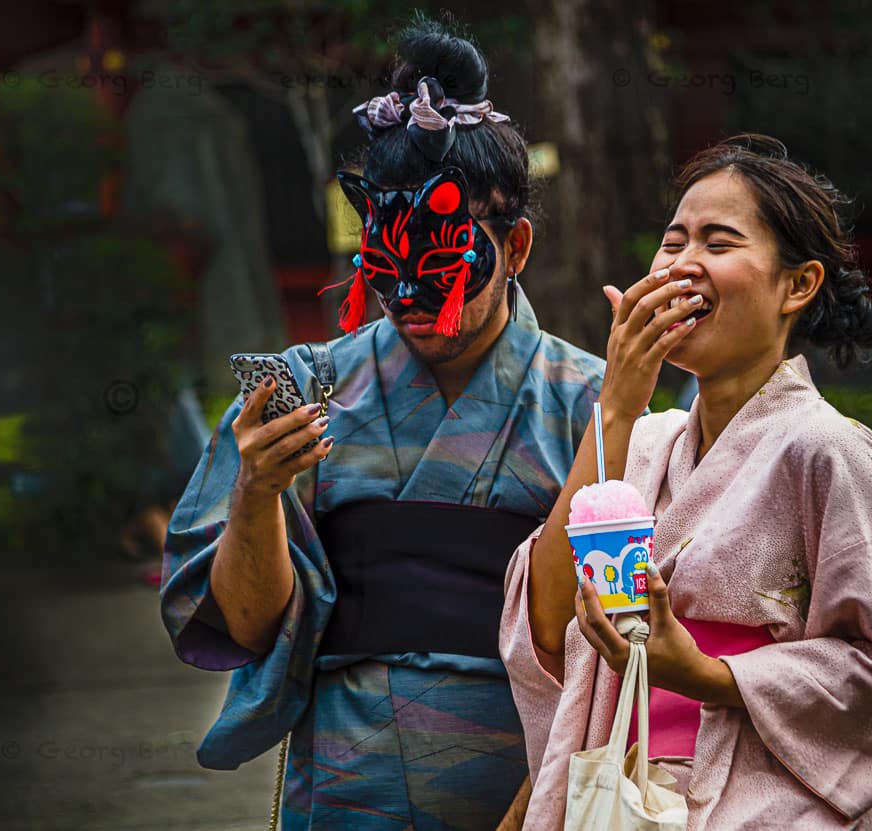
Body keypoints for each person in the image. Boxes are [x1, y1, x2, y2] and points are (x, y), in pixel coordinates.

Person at [158, 20, 605, 830]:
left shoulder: (591, 405)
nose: (418, 300)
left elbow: (628, 635)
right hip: (345, 789)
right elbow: (245, 625)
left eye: (447, 266)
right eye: (389, 268)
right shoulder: (299, 393)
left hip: (533, 790)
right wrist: (258, 491)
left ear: (518, 246)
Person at [500, 134, 872, 829]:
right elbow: (543, 623)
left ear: (797, 284)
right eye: (673, 241)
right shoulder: (643, 441)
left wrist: (710, 676)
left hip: (759, 803)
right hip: (618, 797)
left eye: (718, 244)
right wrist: (621, 405)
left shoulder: (828, 450)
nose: (683, 265)